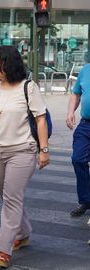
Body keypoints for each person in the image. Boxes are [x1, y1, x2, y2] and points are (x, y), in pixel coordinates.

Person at [0, 46, 50, 268]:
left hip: (22, 151)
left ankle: (3, 248)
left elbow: (41, 120)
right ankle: (24, 232)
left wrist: (43, 150)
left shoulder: (29, 88)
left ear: (11, 63)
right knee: (8, 197)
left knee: (11, 198)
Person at [67, 62, 90, 217]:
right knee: (77, 159)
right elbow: (76, 93)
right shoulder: (86, 69)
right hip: (85, 125)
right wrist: (70, 112)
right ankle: (86, 200)